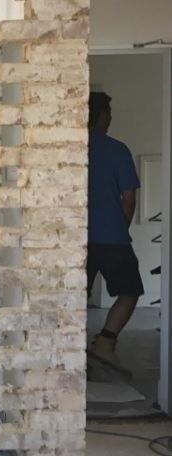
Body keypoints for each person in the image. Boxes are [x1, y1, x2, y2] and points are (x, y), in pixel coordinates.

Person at [87, 91, 144, 369]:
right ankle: (105, 342)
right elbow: (129, 199)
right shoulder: (117, 150)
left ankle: (70, 348)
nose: (110, 118)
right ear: (101, 116)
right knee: (130, 290)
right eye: (108, 113)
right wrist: (120, 228)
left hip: (76, 239)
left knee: (74, 295)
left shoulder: (72, 150)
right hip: (112, 237)